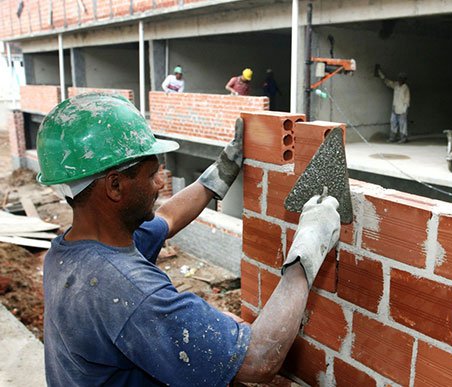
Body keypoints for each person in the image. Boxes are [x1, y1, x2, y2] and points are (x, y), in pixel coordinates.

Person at [37, 93, 341, 386]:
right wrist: (308, 247)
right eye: (152, 174)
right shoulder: (130, 292)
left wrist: (220, 172)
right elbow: (258, 360)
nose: (160, 182)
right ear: (115, 185)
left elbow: (167, 218)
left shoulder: (70, 251)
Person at [376, 65, 411, 143]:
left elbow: (407, 100)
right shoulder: (396, 85)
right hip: (395, 109)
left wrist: (405, 110)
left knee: (402, 125)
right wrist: (380, 74)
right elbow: (387, 82)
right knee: (393, 123)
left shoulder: (406, 88)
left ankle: (403, 138)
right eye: (399, 78)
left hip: (402, 109)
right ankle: (392, 138)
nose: (399, 80)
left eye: (401, 79)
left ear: (404, 80)